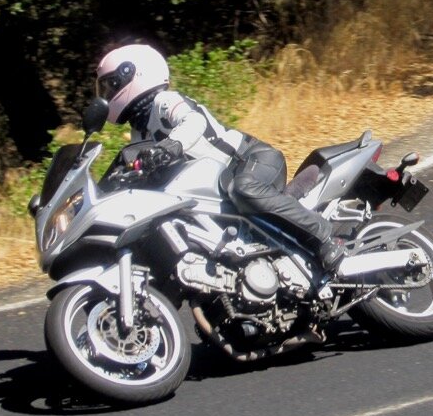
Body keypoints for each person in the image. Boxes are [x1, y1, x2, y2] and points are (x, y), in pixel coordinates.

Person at [95, 43, 346, 274]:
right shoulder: (139, 133)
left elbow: (194, 121)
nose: (108, 93)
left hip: (249, 160)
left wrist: (171, 146)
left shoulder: (165, 102)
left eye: (112, 84)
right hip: (218, 186)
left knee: (243, 189)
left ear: (135, 74)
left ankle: (322, 235)